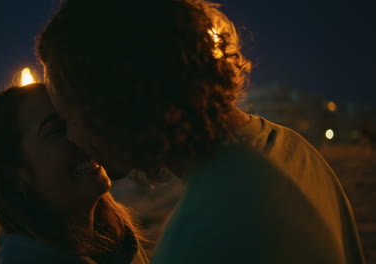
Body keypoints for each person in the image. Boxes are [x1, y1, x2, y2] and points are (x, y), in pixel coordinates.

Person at [36, 0, 365, 263]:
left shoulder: (205, 234)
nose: (72, 138)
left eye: (69, 118)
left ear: (114, 102)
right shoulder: (293, 149)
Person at [0, 83, 149, 264]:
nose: (83, 136)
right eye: (57, 130)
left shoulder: (121, 243)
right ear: (15, 174)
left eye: (79, 120)